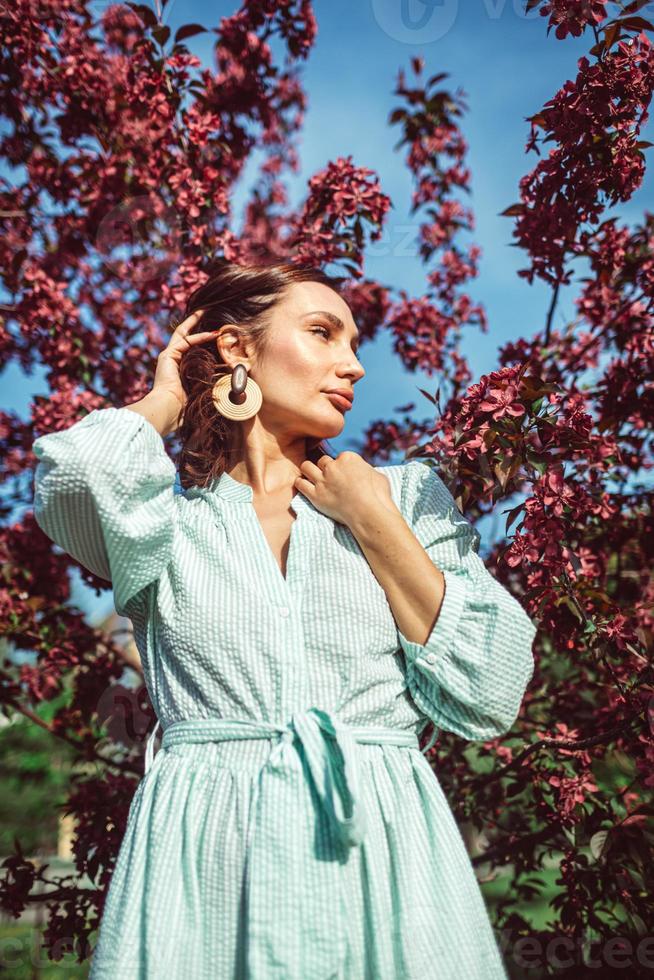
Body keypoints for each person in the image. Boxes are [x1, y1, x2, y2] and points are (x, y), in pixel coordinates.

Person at [32, 259, 536, 979]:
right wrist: (167, 397)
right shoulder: (164, 527)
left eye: (354, 343)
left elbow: (488, 689)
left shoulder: (404, 496)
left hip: (380, 854)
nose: (354, 366)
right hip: (207, 860)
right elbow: (76, 476)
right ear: (240, 350)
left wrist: (374, 519)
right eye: (323, 333)